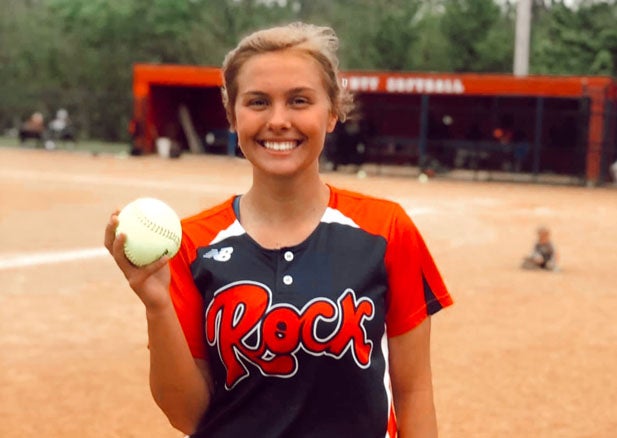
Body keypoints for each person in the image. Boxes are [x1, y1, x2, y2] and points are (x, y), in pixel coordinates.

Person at [104, 22, 453, 437]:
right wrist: (156, 305)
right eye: (257, 102)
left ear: (333, 113)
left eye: (300, 100)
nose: (278, 120)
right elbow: (187, 416)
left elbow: (413, 392)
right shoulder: (191, 244)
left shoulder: (386, 230)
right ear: (232, 115)